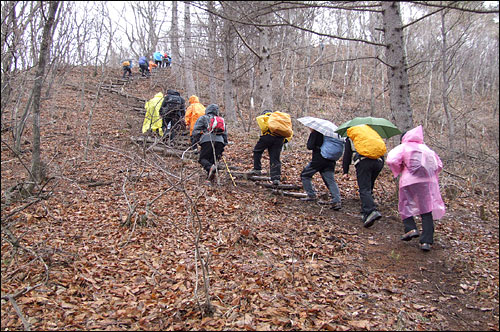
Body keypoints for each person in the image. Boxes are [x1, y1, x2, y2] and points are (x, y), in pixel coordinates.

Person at [386, 125, 445, 252]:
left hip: (409, 181)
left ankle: (411, 228)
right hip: (427, 182)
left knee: (405, 204)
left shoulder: (404, 147)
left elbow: (391, 160)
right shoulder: (427, 149)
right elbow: (439, 165)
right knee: (426, 209)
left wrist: (400, 169)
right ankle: (426, 241)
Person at [342, 124, 385, 228]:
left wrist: (345, 171)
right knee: (369, 187)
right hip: (379, 162)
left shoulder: (352, 136)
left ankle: (371, 211)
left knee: (364, 188)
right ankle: (365, 213)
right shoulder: (373, 134)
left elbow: (347, 155)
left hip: (364, 162)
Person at [300, 128, 343, 210]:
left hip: (318, 160)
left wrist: (312, 135)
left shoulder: (316, 133)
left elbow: (310, 146)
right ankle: (337, 200)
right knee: (330, 181)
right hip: (330, 161)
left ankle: (311, 195)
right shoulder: (330, 135)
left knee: (305, 175)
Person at [250, 110, 293, 186]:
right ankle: (276, 178)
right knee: (275, 158)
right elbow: (290, 133)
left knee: (257, 151)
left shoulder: (265, 117)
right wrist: (284, 141)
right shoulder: (280, 120)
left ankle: (257, 169)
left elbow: (263, 128)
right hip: (280, 139)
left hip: (267, 136)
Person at [191, 104, 228, 181]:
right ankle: (210, 178)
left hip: (207, 140)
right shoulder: (220, 120)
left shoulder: (203, 118)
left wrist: (196, 142)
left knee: (202, 159)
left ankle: (210, 169)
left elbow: (195, 132)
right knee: (212, 160)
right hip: (220, 141)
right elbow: (225, 134)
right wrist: (223, 145)